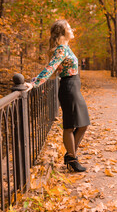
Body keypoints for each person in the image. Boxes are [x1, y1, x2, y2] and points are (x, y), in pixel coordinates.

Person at [25, 20, 90, 172]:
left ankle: (70, 155)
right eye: (68, 27)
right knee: (70, 125)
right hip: (69, 88)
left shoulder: (66, 48)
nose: (72, 29)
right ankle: (72, 158)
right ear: (62, 32)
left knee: (84, 123)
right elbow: (50, 68)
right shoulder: (61, 49)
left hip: (74, 87)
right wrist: (35, 83)